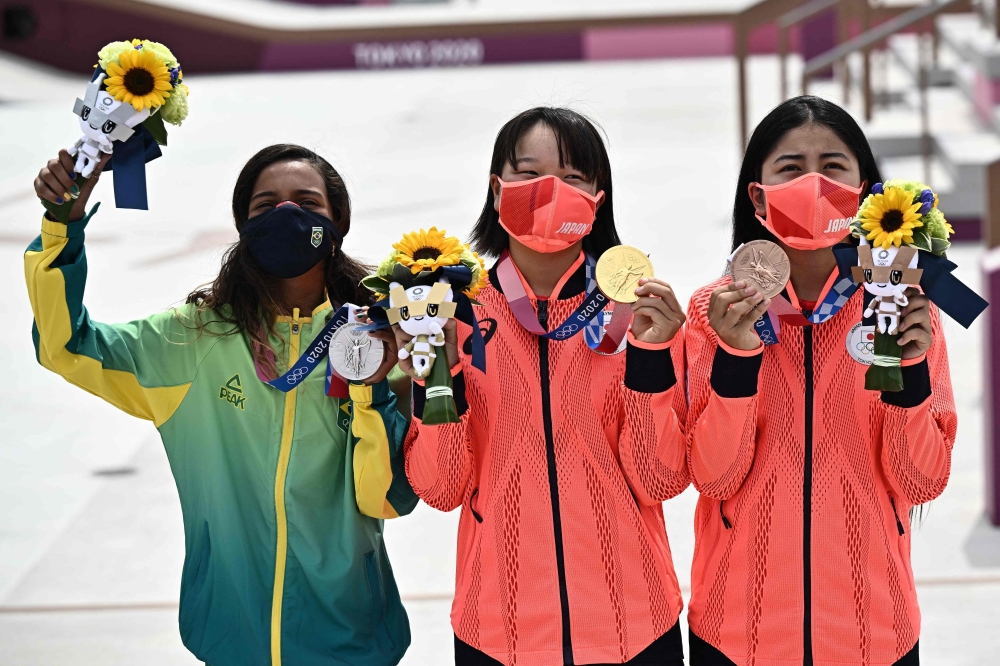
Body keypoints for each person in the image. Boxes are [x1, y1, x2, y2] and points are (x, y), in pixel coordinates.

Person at [26, 144, 418, 666]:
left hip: (351, 639)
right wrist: (63, 224)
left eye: (306, 202)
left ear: (338, 220)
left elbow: (389, 498)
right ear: (243, 225)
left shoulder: (379, 338)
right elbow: (66, 346)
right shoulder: (195, 338)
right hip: (233, 639)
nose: (286, 214)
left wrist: (369, 388)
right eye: (266, 206)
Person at [397, 107, 690, 666]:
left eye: (573, 177)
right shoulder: (451, 311)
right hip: (497, 631)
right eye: (529, 175)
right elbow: (440, 488)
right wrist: (439, 375)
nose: (551, 190)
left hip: (634, 625)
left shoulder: (637, 311)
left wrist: (652, 357)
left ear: (598, 197)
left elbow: (661, 478)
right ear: (496, 188)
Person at [684, 96, 956, 666]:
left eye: (833, 166)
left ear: (866, 193)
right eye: (790, 168)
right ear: (757, 194)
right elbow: (714, 476)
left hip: (874, 634)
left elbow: (921, 481)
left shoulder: (905, 308)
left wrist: (907, 374)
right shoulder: (716, 311)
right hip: (738, 637)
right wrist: (736, 360)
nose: (813, 182)